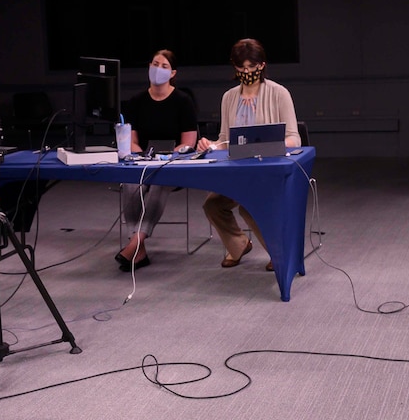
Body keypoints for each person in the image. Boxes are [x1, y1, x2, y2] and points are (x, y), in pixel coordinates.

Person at [196, 38, 300, 270]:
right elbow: (225, 140)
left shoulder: (279, 93)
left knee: (250, 204)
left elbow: (294, 138)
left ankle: (278, 252)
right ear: (234, 67)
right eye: (242, 68)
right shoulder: (229, 97)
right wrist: (210, 145)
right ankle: (239, 244)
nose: (247, 72)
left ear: (262, 65)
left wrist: (267, 146)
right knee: (212, 205)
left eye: (253, 68)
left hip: (268, 173)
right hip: (238, 173)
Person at [114, 49, 198, 272]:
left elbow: (189, 141)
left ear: (173, 73)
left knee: (160, 180)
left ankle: (135, 241)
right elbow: (130, 140)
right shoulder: (136, 101)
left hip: (172, 164)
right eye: (154, 64)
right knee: (131, 180)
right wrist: (142, 157)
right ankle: (139, 249)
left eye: (163, 66)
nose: (157, 69)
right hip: (143, 161)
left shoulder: (183, 101)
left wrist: (168, 157)